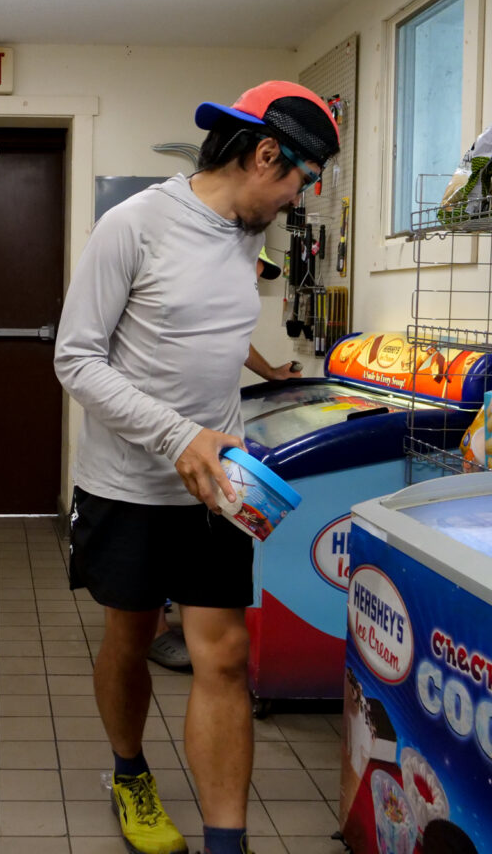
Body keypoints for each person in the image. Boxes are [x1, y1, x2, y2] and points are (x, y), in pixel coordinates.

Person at [54, 81, 339, 854]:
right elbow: (74, 359)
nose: (296, 198)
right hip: (126, 482)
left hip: (217, 482)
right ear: (265, 153)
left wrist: (236, 438)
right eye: (298, 180)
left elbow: (203, 339)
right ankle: (129, 773)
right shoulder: (134, 225)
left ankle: (226, 843)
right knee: (132, 634)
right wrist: (177, 434)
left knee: (224, 654)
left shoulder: (249, 239)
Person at [148, 250, 300, 673]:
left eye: (260, 274)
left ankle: (188, 617)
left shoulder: (232, 305)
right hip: (165, 436)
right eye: (253, 268)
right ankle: (157, 630)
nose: (255, 278)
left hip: (210, 442)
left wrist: (270, 372)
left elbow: (234, 344)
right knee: (161, 528)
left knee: (198, 533)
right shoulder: (189, 298)